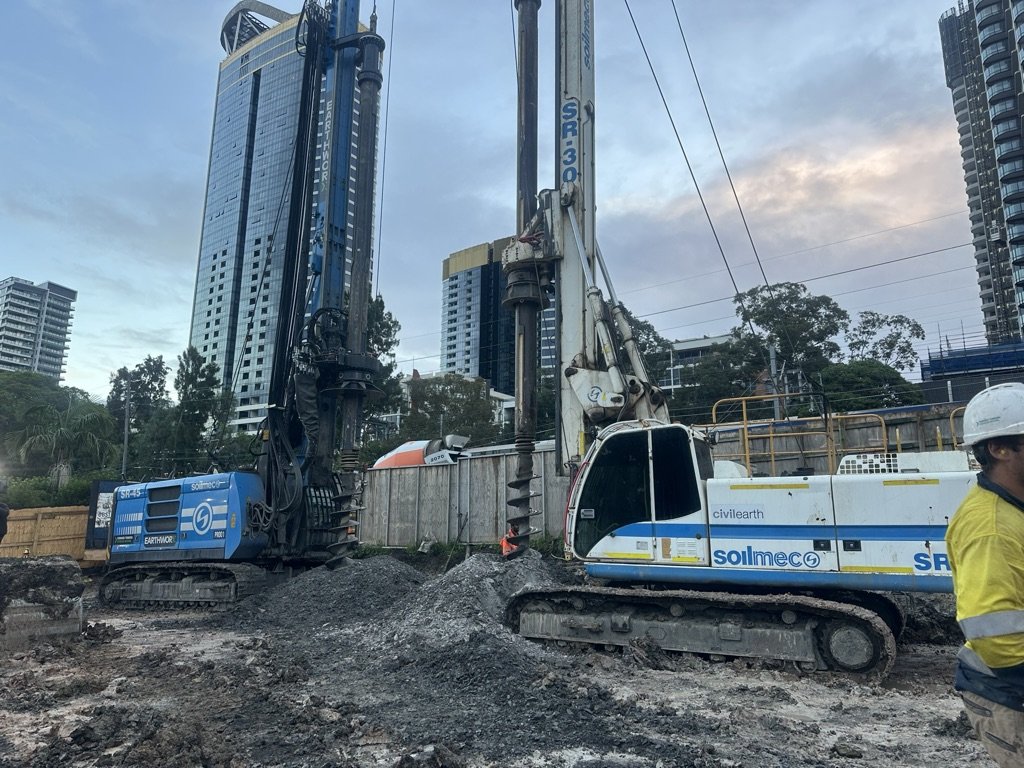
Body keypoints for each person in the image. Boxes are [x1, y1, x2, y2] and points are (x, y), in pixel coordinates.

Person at [948, 382, 1024, 767]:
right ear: (1000, 449)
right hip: (1011, 695)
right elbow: (995, 634)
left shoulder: (1014, 508)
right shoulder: (990, 527)